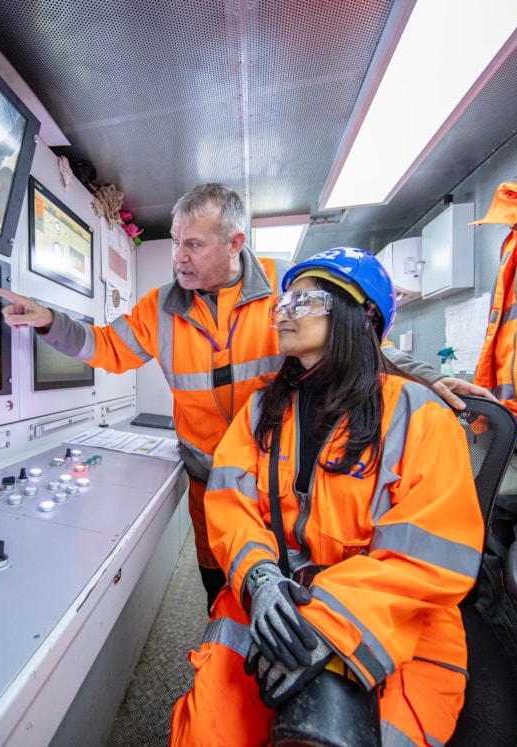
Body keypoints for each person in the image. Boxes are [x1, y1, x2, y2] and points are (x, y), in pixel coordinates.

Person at [0, 183, 490, 612]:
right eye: (176, 244)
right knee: (222, 576)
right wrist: (50, 321)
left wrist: (427, 378)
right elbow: (104, 347)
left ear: (235, 244)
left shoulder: (284, 288)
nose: (178, 258)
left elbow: (355, 341)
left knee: (300, 567)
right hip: (210, 475)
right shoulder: (159, 307)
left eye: (194, 245)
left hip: (283, 471)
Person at [169, 247, 484, 746]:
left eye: (304, 301)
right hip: (271, 603)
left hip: (387, 620)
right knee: (208, 731)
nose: (283, 314)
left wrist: (328, 627)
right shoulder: (259, 410)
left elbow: (429, 556)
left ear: (361, 315)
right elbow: (230, 504)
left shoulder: (418, 416)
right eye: (283, 303)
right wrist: (259, 578)